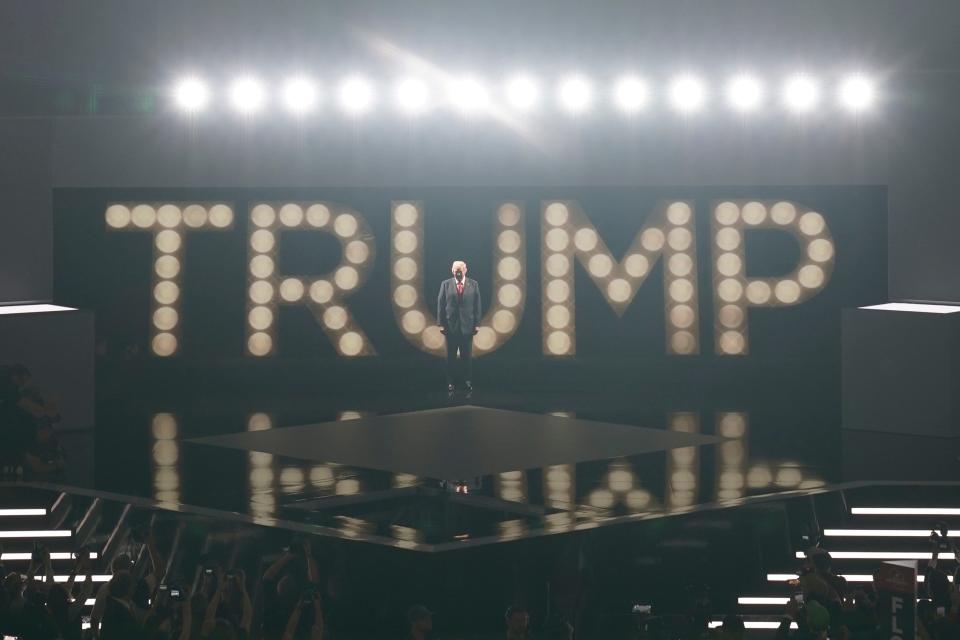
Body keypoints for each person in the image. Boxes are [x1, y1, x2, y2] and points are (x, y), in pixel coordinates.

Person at [436, 260, 481, 397]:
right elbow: (440, 303)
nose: (458, 271)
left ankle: (467, 381)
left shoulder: (473, 284)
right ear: (452, 271)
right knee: (450, 357)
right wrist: (440, 323)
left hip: (468, 327)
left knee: (466, 357)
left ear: (466, 270)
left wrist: (477, 323)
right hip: (450, 327)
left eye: (461, 269)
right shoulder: (445, 284)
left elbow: (477, 304)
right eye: (456, 269)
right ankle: (450, 382)